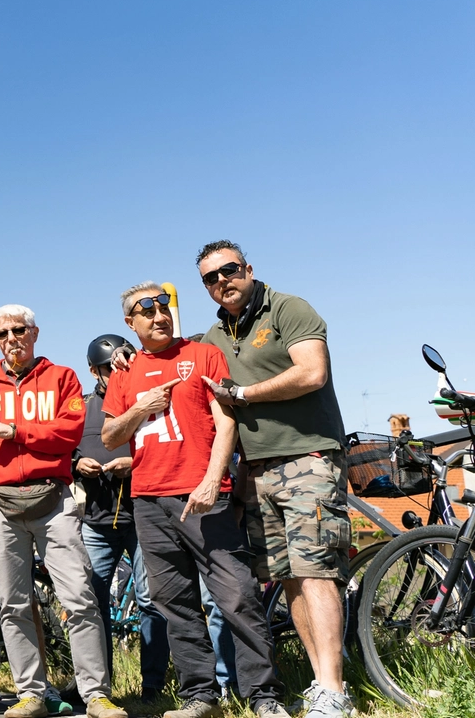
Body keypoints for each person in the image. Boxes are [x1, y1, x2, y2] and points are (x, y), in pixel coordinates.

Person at [101, 283, 285, 718]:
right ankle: (200, 697)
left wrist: (212, 479)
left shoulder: (202, 354)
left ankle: (264, 697)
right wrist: (140, 407)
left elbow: (227, 422)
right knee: (176, 603)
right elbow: (111, 436)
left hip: (204, 497)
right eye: (146, 312)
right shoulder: (123, 373)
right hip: (149, 501)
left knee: (238, 595)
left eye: (163, 307)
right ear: (131, 323)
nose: (158, 316)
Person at [194, 242, 352, 718]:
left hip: (309, 457)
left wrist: (243, 393)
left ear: (248, 269)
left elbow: (311, 373)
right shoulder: (212, 338)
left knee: (315, 572)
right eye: (211, 277)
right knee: (286, 577)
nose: (222, 280)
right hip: (256, 470)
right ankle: (320, 683)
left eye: (230, 270)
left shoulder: (288, 308)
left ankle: (335, 690)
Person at [0, 305, 124, 718]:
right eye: (2, 334)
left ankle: (96, 695)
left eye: (19, 330)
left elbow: (67, 434)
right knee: (13, 605)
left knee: (80, 598)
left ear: (34, 332)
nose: (11, 338)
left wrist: (15, 431)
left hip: (54, 499)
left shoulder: (62, 378)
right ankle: (31, 694)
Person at [75, 334, 169, 700]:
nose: (113, 376)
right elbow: (63, 452)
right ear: (93, 370)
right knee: (91, 602)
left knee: (151, 600)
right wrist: (75, 464)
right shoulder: (82, 407)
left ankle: (153, 685)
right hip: (97, 520)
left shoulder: (148, 400)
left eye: (118, 368)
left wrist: (135, 463)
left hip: (143, 517)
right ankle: (99, 689)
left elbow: (168, 447)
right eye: (104, 370)